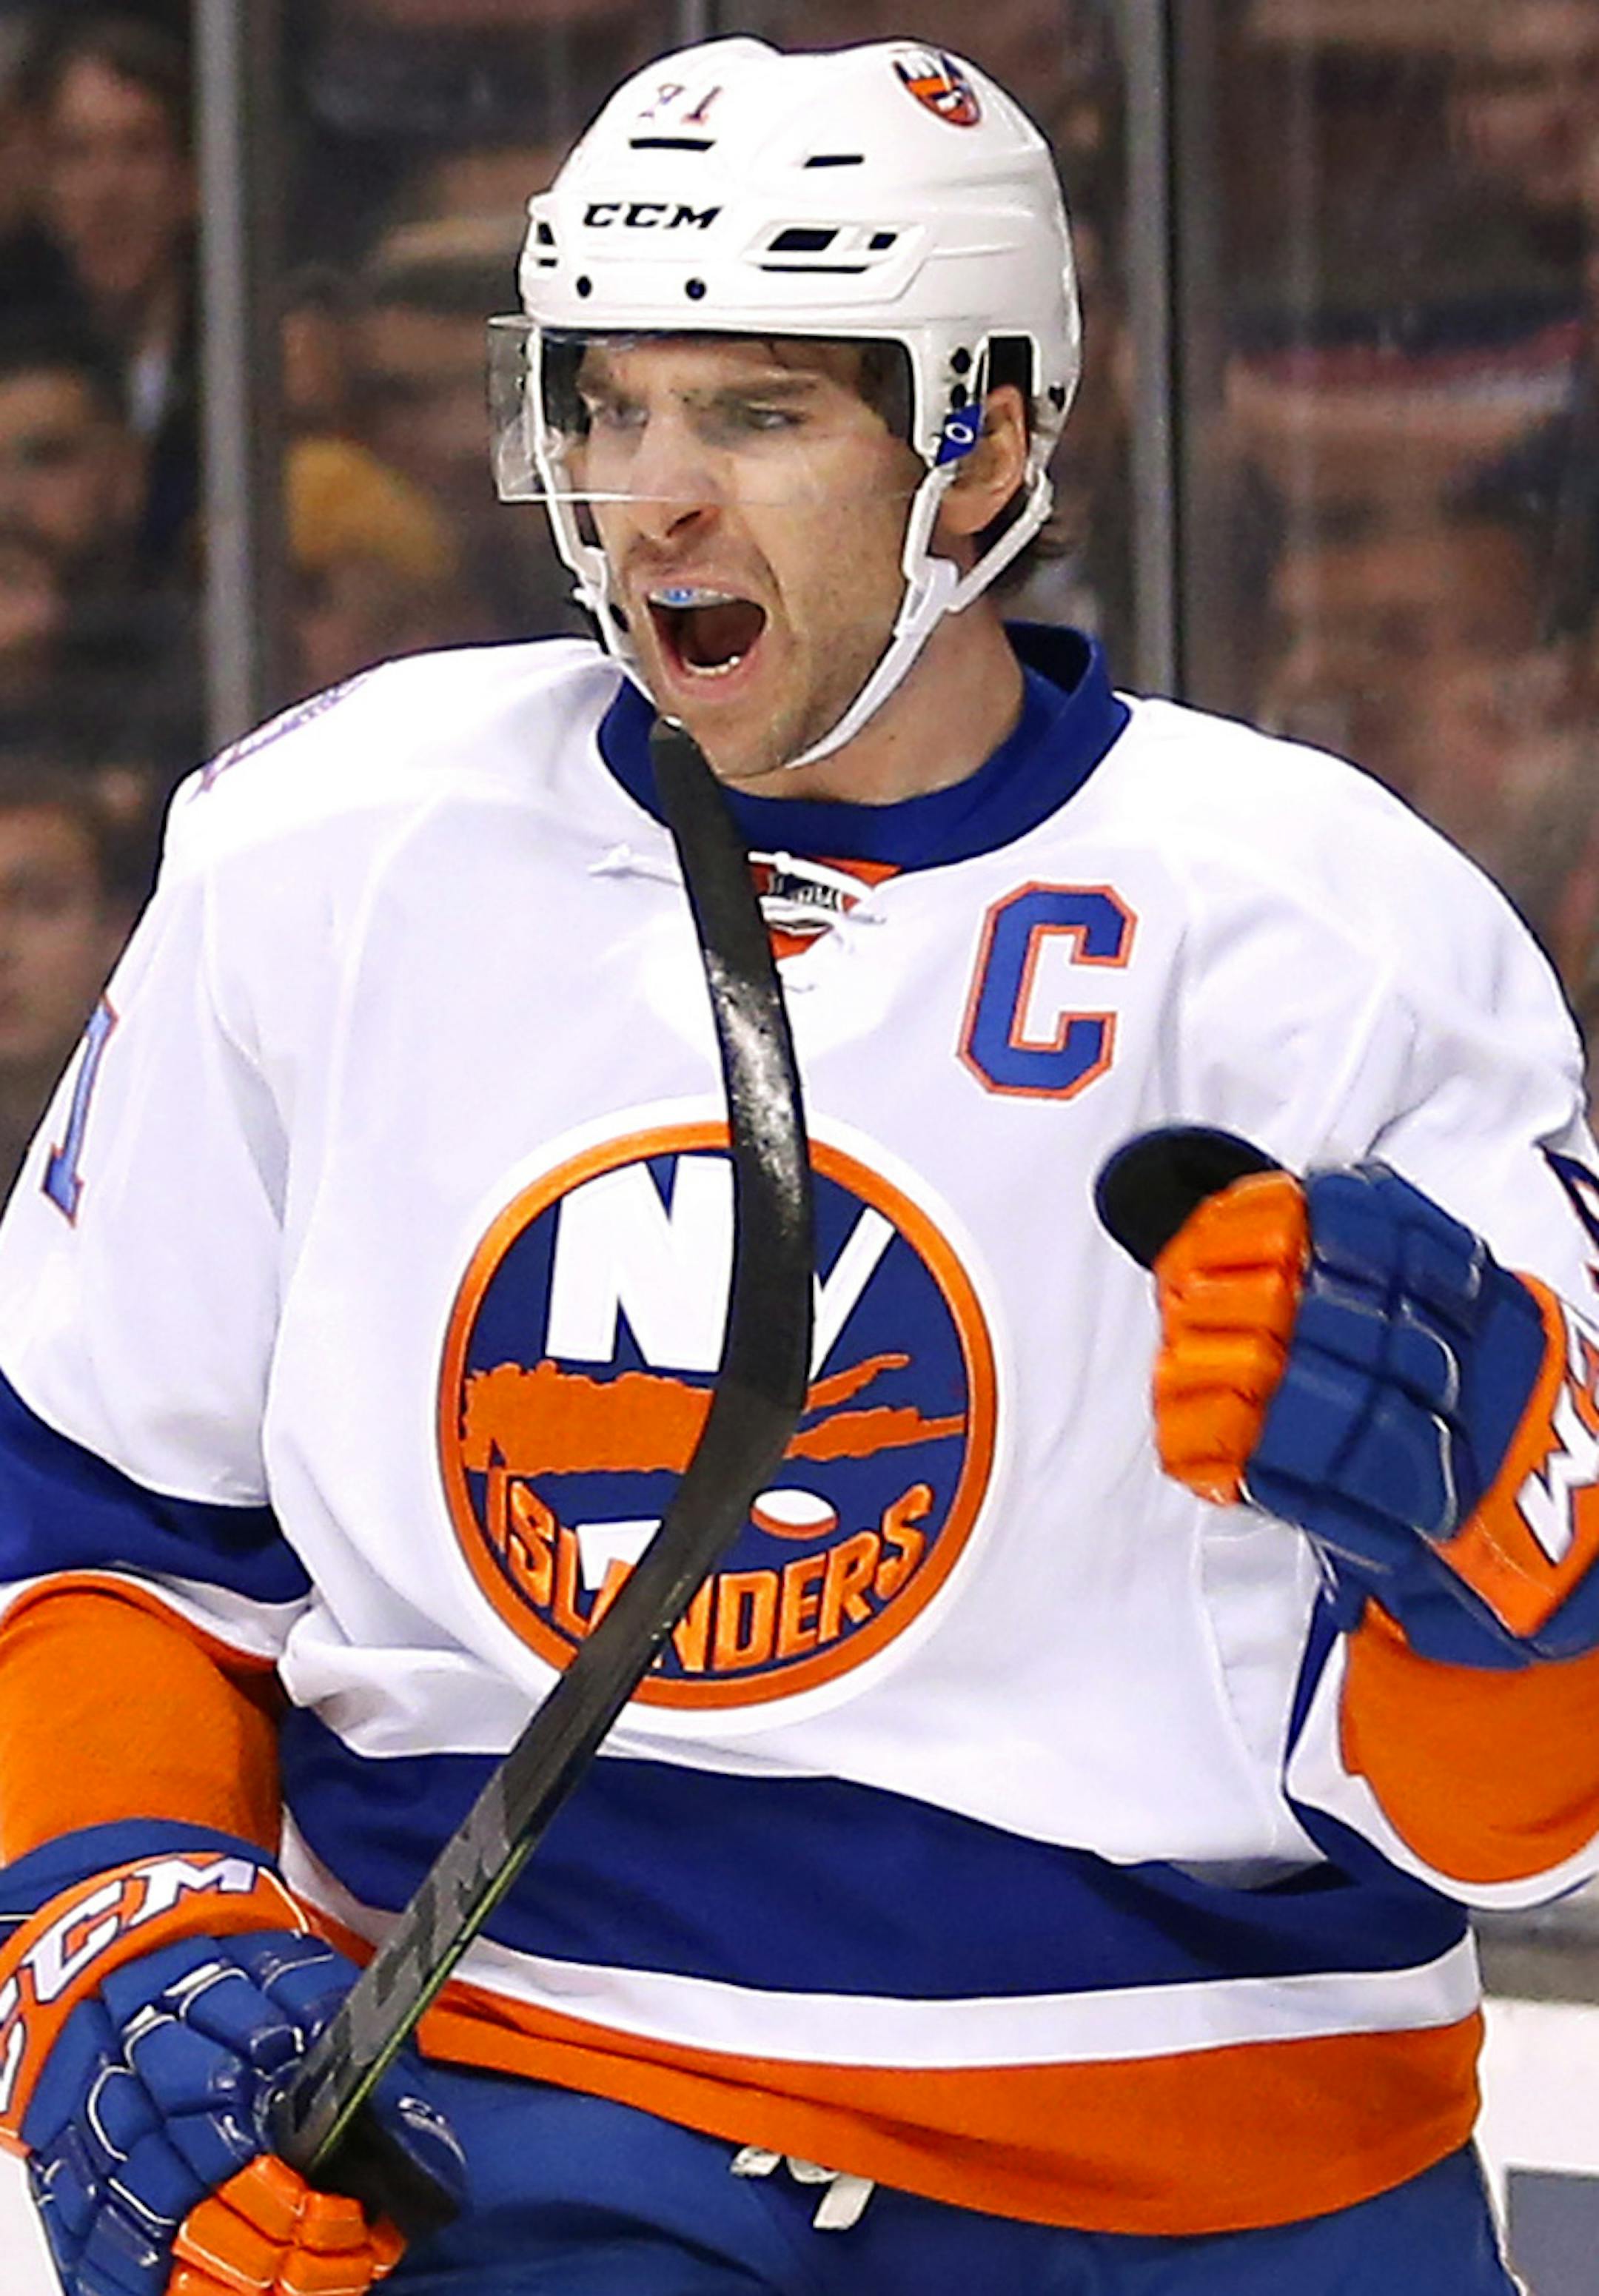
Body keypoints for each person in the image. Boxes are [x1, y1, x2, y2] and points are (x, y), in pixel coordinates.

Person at [0, 35, 1595, 2296]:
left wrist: (1492, 1534)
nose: (648, 500)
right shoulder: (332, 849)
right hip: (508, 2131)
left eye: (755, 415)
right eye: (607, 406)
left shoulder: (1321, 932)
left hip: (1207, 2182)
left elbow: (1519, 1830)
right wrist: (114, 1927)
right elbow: (100, 1523)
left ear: (987, 445)